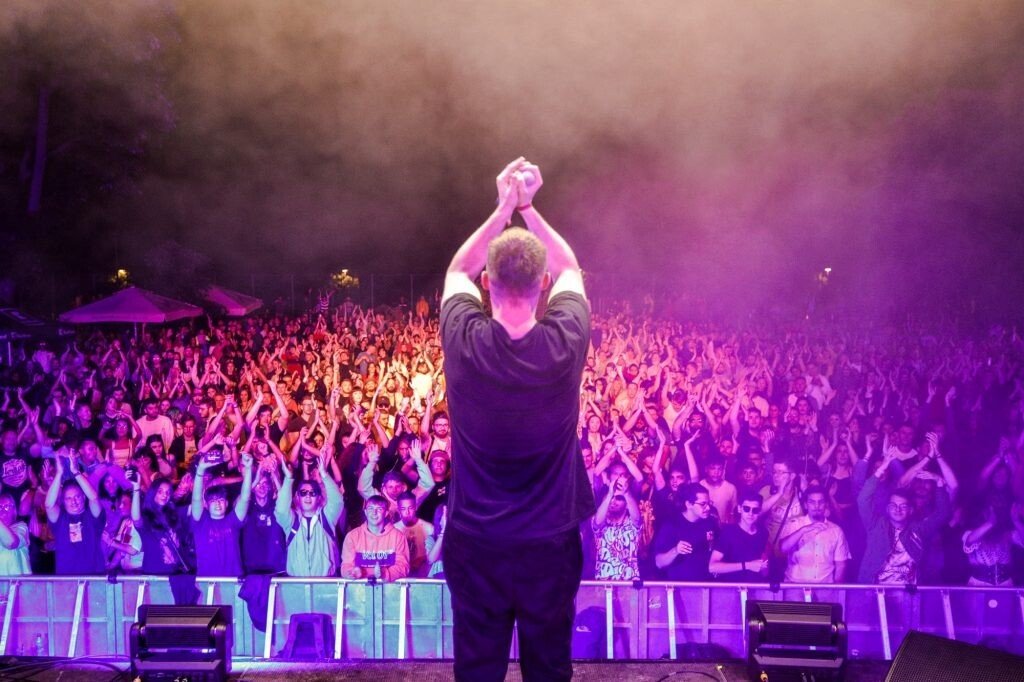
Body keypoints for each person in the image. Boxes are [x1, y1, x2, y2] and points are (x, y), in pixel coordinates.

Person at [440, 158, 593, 682]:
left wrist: (503, 206)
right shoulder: (565, 343)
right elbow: (571, 269)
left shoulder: (464, 342)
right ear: (542, 284)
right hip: (549, 543)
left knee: (477, 669)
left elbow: (455, 271)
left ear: (487, 283)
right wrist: (528, 207)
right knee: (548, 669)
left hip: (476, 541)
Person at [275, 453, 343, 577]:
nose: (308, 496)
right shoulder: (292, 521)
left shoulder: (327, 517)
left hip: (325, 583)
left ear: (319, 498)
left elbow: (337, 501)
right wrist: (288, 479)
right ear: (297, 497)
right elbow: (281, 510)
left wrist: (324, 474)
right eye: (303, 492)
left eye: (313, 493)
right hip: (296, 583)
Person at [45, 452, 106, 574]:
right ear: (63, 501)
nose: (74, 501)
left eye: (77, 496)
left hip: (93, 575)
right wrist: (59, 474)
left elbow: (94, 498)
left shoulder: (92, 515)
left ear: (83, 497)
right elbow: (49, 505)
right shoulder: (60, 518)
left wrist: (76, 472)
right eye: (68, 498)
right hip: (66, 577)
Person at [780, 486, 851, 583]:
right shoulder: (794, 525)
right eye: (812, 502)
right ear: (806, 505)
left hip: (825, 588)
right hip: (795, 586)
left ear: (826, 504)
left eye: (821, 502)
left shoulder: (836, 530)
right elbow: (783, 548)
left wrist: (836, 588)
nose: (817, 506)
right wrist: (803, 530)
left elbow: (841, 565)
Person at [653, 483, 718, 581]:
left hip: (706, 583)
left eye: (709, 503)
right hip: (679, 584)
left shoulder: (711, 522)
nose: (708, 508)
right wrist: (676, 550)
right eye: (703, 504)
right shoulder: (671, 525)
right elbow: (659, 563)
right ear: (688, 504)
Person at [340, 494, 410, 581]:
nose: (374, 512)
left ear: (386, 513)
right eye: (370, 509)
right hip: (360, 587)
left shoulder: (398, 536)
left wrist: (385, 573)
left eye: (379, 509)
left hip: (389, 587)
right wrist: (352, 572)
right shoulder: (352, 536)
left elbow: (403, 566)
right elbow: (346, 565)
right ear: (365, 512)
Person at [709, 492, 769, 581]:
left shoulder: (763, 532)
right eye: (746, 509)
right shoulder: (728, 532)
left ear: (759, 512)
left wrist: (764, 568)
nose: (750, 513)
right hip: (731, 585)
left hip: (754, 585)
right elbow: (712, 567)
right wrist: (747, 565)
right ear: (739, 509)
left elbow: (763, 561)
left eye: (755, 510)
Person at [0, 490, 31, 575]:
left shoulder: (21, 527)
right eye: (0, 507)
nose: (3, 510)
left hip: (18, 583)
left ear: (14, 510)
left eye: (7, 506)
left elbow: (11, 543)